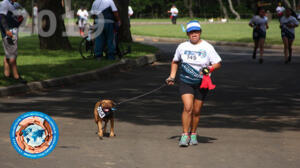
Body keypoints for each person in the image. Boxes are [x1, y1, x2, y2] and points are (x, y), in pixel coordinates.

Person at [166, 21, 222, 147]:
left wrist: (209, 69)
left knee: (196, 111)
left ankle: (193, 134)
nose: (194, 34)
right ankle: (185, 135)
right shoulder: (182, 47)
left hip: (202, 83)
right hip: (186, 81)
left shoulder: (207, 47)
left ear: (200, 32)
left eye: (196, 31)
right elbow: (175, 61)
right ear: (187, 34)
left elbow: (218, 63)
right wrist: (172, 76)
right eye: (191, 32)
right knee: (188, 107)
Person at [0, 0, 26, 83]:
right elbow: (1, 17)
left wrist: (20, 20)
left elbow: (21, 16)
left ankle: (7, 74)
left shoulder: (15, 4)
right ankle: (16, 76)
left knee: (9, 53)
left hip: (14, 30)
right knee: (13, 55)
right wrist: (7, 30)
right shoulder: (4, 3)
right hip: (9, 33)